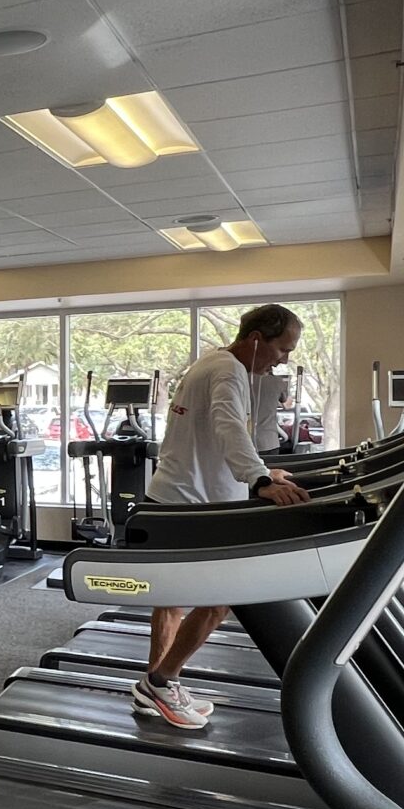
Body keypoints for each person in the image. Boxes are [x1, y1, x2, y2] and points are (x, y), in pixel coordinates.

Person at [132, 303, 312, 729]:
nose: (283, 359)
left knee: (173, 599)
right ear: (255, 340)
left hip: (172, 498)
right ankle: (163, 680)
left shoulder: (213, 363)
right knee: (220, 599)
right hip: (191, 505)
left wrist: (266, 470)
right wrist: (260, 480)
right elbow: (228, 424)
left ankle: (154, 688)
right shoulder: (229, 370)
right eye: (282, 349)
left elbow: (217, 435)